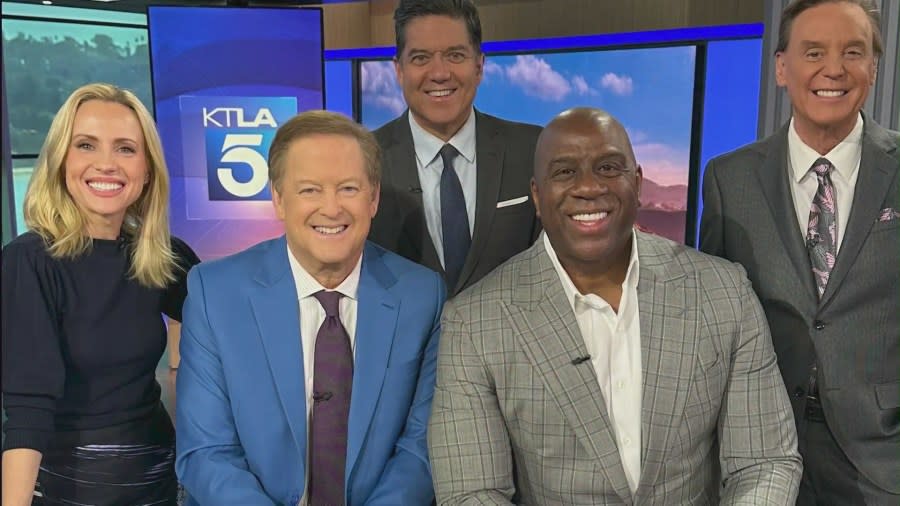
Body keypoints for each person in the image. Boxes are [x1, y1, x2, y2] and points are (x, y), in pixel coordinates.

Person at [429, 107, 802, 504]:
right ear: (537, 196)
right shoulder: (475, 322)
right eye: (565, 172)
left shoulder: (723, 292)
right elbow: (472, 492)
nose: (588, 187)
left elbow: (765, 463)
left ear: (637, 183)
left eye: (608, 168)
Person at [175, 110, 445, 505]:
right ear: (279, 200)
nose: (331, 208)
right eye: (310, 190)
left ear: (373, 199)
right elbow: (206, 452)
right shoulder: (215, 293)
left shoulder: (422, 297)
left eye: (349, 189)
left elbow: (421, 450)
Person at [699, 1, 899, 503]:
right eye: (814, 52)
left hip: (883, 461)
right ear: (782, 68)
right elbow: (714, 321)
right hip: (761, 454)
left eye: (853, 52)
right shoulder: (729, 178)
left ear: (874, 68)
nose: (834, 69)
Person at [1, 83, 200, 505]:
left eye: (126, 148)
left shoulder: (165, 257)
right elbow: (27, 410)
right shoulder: (29, 262)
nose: (106, 164)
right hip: (68, 486)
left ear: (147, 169)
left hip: (160, 480)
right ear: (61, 161)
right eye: (86, 145)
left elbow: (225, 339)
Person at [369, 0, 541, 297]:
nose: (439, 73)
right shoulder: (364, 160)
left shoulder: (533, 150)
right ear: (398, 70)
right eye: (421, 58)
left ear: (479, 66)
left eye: (455, 55)